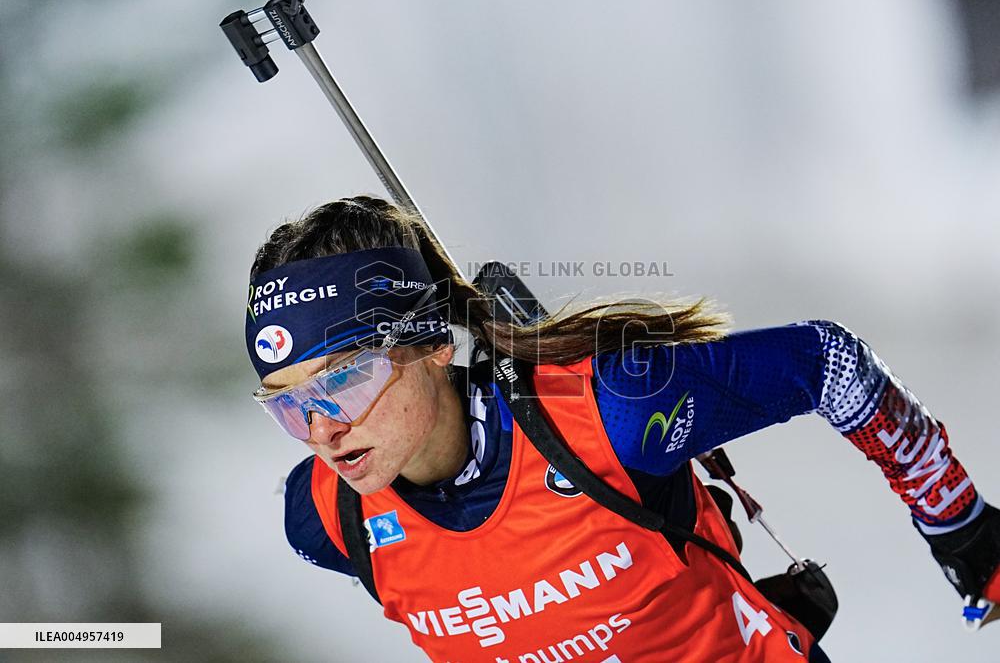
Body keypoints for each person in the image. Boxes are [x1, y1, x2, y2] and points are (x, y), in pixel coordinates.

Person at [245, 195, 1000, 662]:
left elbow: (827, 363)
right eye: (285, 401)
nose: (320, 428)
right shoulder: (323, 517)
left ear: (435, 345)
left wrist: (958, 522)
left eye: (344, 378)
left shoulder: (610, 415)